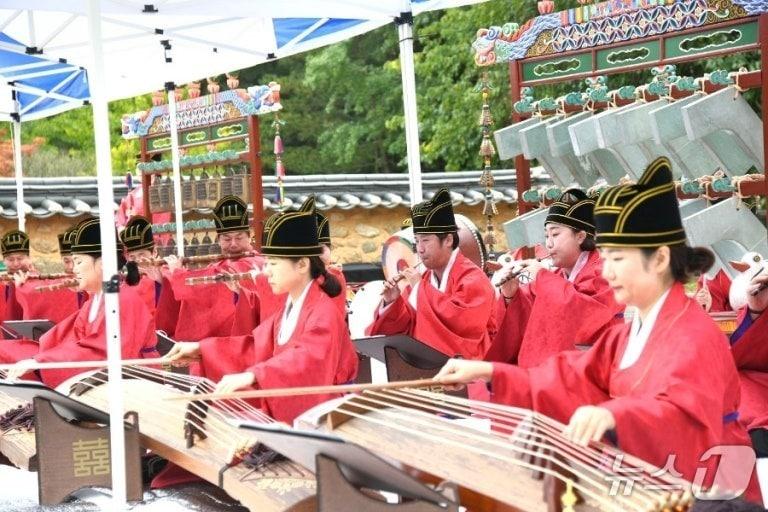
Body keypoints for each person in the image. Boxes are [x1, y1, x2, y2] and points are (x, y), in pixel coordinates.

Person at [435, 157, 760, 502]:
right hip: (654, 486)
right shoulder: (624, 338)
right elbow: (567, 379)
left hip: (714, 493)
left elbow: (683, 419)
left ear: (661, 259)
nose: (606, 272)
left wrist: (612, 414)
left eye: (618, 258)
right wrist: (487, 371)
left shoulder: (696, 336)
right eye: (605, 258)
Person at [165, 197, 358, 424]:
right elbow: (254, 347)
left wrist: (254, 374)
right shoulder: (291, 308)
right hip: (299, 412)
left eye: (273, 264)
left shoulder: (323, 311)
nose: (265, 272)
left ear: (303, 265)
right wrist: (201, 349)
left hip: (326, 415)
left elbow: (305, 358)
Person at [0, 218, 158, 387]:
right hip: (94, 370)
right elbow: (69, 338)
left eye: (79, 262)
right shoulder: (101, 296)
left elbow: (100, 352)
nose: (75, 269)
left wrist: (40, 360)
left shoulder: (122, 298)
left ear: (104, 263)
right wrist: (39, 355)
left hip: (134, 382)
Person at [485, 189, 623, 367]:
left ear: (580, 236)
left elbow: (583, 316)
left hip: (598, 367)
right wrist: (511, 295)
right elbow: (528, 319)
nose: (548, 243)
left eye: (555, 234)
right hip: (562, 371)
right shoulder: (556, 277)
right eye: (546, 236)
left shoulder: (605, 271)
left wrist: (542, 276)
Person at [367, 187, 495, 359]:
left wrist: (419, 288)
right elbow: (407, 328)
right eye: (417, 241)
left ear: (448, 239)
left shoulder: (473, 278)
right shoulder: (425, 280)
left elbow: (463, 325)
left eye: (426, 240)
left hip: (469, 373)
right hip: (428, 370)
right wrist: (392, 302)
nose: (420, 249)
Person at [164, 195, 263, 339]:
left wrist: (179, 274)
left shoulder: (256, 261)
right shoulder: (217, 264)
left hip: (245, 338)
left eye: (239, 238)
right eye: (227, 239)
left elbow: (217, 278)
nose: (233, 244)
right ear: (219, 240)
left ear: (250, 236)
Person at [12, 226, 83, 323]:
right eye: (67, 261)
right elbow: (38, 293)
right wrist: (25, 285)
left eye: (77, 261)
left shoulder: (97, 284)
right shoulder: (59, 283)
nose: (72, 267)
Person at [121, 215, 179, 333]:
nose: (138, 260)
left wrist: (160, 283)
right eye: (133, 256)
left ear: (154, 251)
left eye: (142, 254)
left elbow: (177, 309)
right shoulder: (125, 279)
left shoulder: (167, 272)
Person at [0, 230, 34, 321]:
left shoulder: (40, 282)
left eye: (20, 258)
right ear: (4, 261)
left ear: (29, 259)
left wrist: (22, 288)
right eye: (10, 260)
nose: (16, 264)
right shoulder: (2, 284)